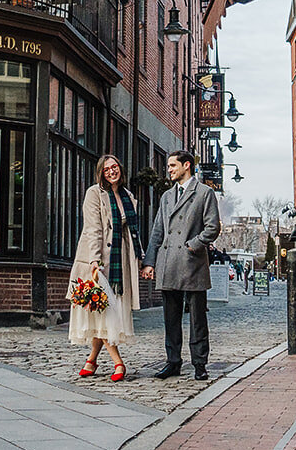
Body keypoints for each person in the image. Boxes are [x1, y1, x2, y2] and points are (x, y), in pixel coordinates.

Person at [141, 150, 221, 381]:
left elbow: (213, 227)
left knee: (197, 318)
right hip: (169, 263)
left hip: (192, 262)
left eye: (173, 165)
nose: (169, 170)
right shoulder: (167, 196)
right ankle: (173, 362)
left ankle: (199, 363)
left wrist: (192, 245)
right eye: (168, 166)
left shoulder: (204, 193)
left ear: (187, 165)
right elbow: (158, 230)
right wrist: (149, 262)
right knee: (171, 318)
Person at [68, 154, 142, 382]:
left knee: (108, 311)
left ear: (120, 169)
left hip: (121, 262)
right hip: (100, 260)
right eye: (107, 168)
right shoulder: (94, 193)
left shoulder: (128, 196)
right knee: (105, 313)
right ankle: (119, 363)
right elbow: (93, 228)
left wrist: (140, 258)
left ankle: (91, 360)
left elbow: (133, 232)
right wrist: (94, 261)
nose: (112, 171)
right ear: (101, 172)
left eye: (115, 167)